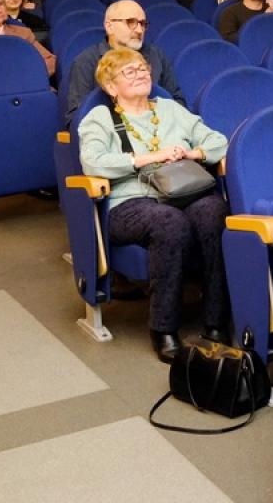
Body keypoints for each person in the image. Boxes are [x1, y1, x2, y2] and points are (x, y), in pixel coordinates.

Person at [77, 47, 229, 363]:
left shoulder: (170, 109)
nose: (141, 74)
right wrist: (146, 158)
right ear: (110, 86)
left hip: (182, 193)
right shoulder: (101, 117)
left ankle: (216, 320)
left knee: (213, 211)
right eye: (129, 71)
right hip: (128, 202)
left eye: (143, 68)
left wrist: (192, 154)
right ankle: (164, 328)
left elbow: (218, 141)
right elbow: (92, 162)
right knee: (168, 222)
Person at [64, 0, 185, 121]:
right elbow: (76, 117)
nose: (139, 30)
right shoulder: (86, 61)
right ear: (109, 26)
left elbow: (177, 100)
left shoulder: (156, 55)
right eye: (131, 22)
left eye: (142, 23)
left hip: (161, 130)